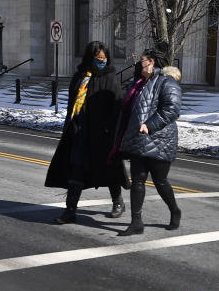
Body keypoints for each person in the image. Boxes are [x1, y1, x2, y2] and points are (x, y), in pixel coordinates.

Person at [46, 41, 127, 223]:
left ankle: (118, 202)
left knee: (109, 169)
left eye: (104, 58)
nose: (102, 61)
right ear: (90, 58)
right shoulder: (79, 77)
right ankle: (70, 210)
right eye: (98, 58)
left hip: (102, 134)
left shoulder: (109, 77)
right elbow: (72, 104)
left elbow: (116, 107)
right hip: (79, 131)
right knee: (77, 169)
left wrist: (111, 132)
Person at [111, 49, 182, 236]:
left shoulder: (167, 82)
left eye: (141, 61)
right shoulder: (140, 83)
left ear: (151, 62)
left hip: (160, 139)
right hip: (139, 139)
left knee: (160, 181)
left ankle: (174, 210)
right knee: (138, 181)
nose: (138, 64)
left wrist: (149, 125)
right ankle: (136, 222)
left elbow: (172, 109)